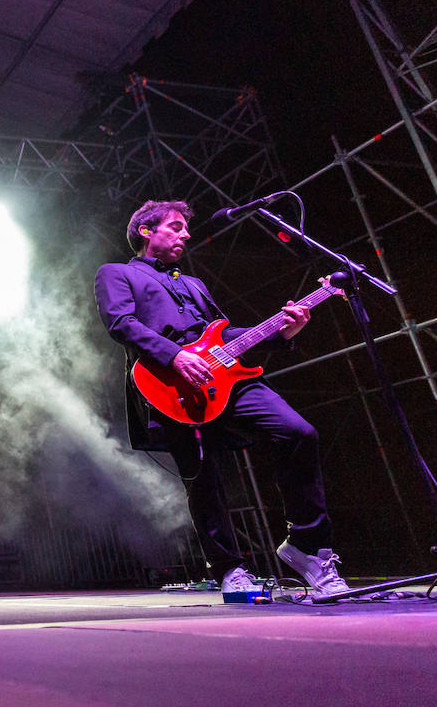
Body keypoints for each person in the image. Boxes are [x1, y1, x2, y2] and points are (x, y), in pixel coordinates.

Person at [93, 200, 350, 598]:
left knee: (299, 432)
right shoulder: (117, 274)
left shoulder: (194, 283)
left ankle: (306, 547)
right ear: (146, 231)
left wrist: (281, 331)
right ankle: (229, 567)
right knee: (205, 477)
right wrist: (174, 355)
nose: (186, 235)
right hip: (169, 383)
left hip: (227, 380)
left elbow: (224, 336)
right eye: (176, 227)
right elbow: (121, 323)